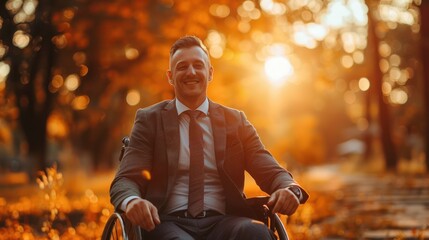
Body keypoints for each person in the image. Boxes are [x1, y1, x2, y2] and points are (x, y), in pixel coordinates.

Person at [110, 35, 309, 240]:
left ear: (210, 73)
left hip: (225, 220)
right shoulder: (149, 119)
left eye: (198, 65)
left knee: (256, 233)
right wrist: (132, 201)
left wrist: (290, 189)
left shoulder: (236, 121)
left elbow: (269, 169)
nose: (191, 72)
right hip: (166, 222)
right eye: (182, 67)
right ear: (170, 76)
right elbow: (126, 179)